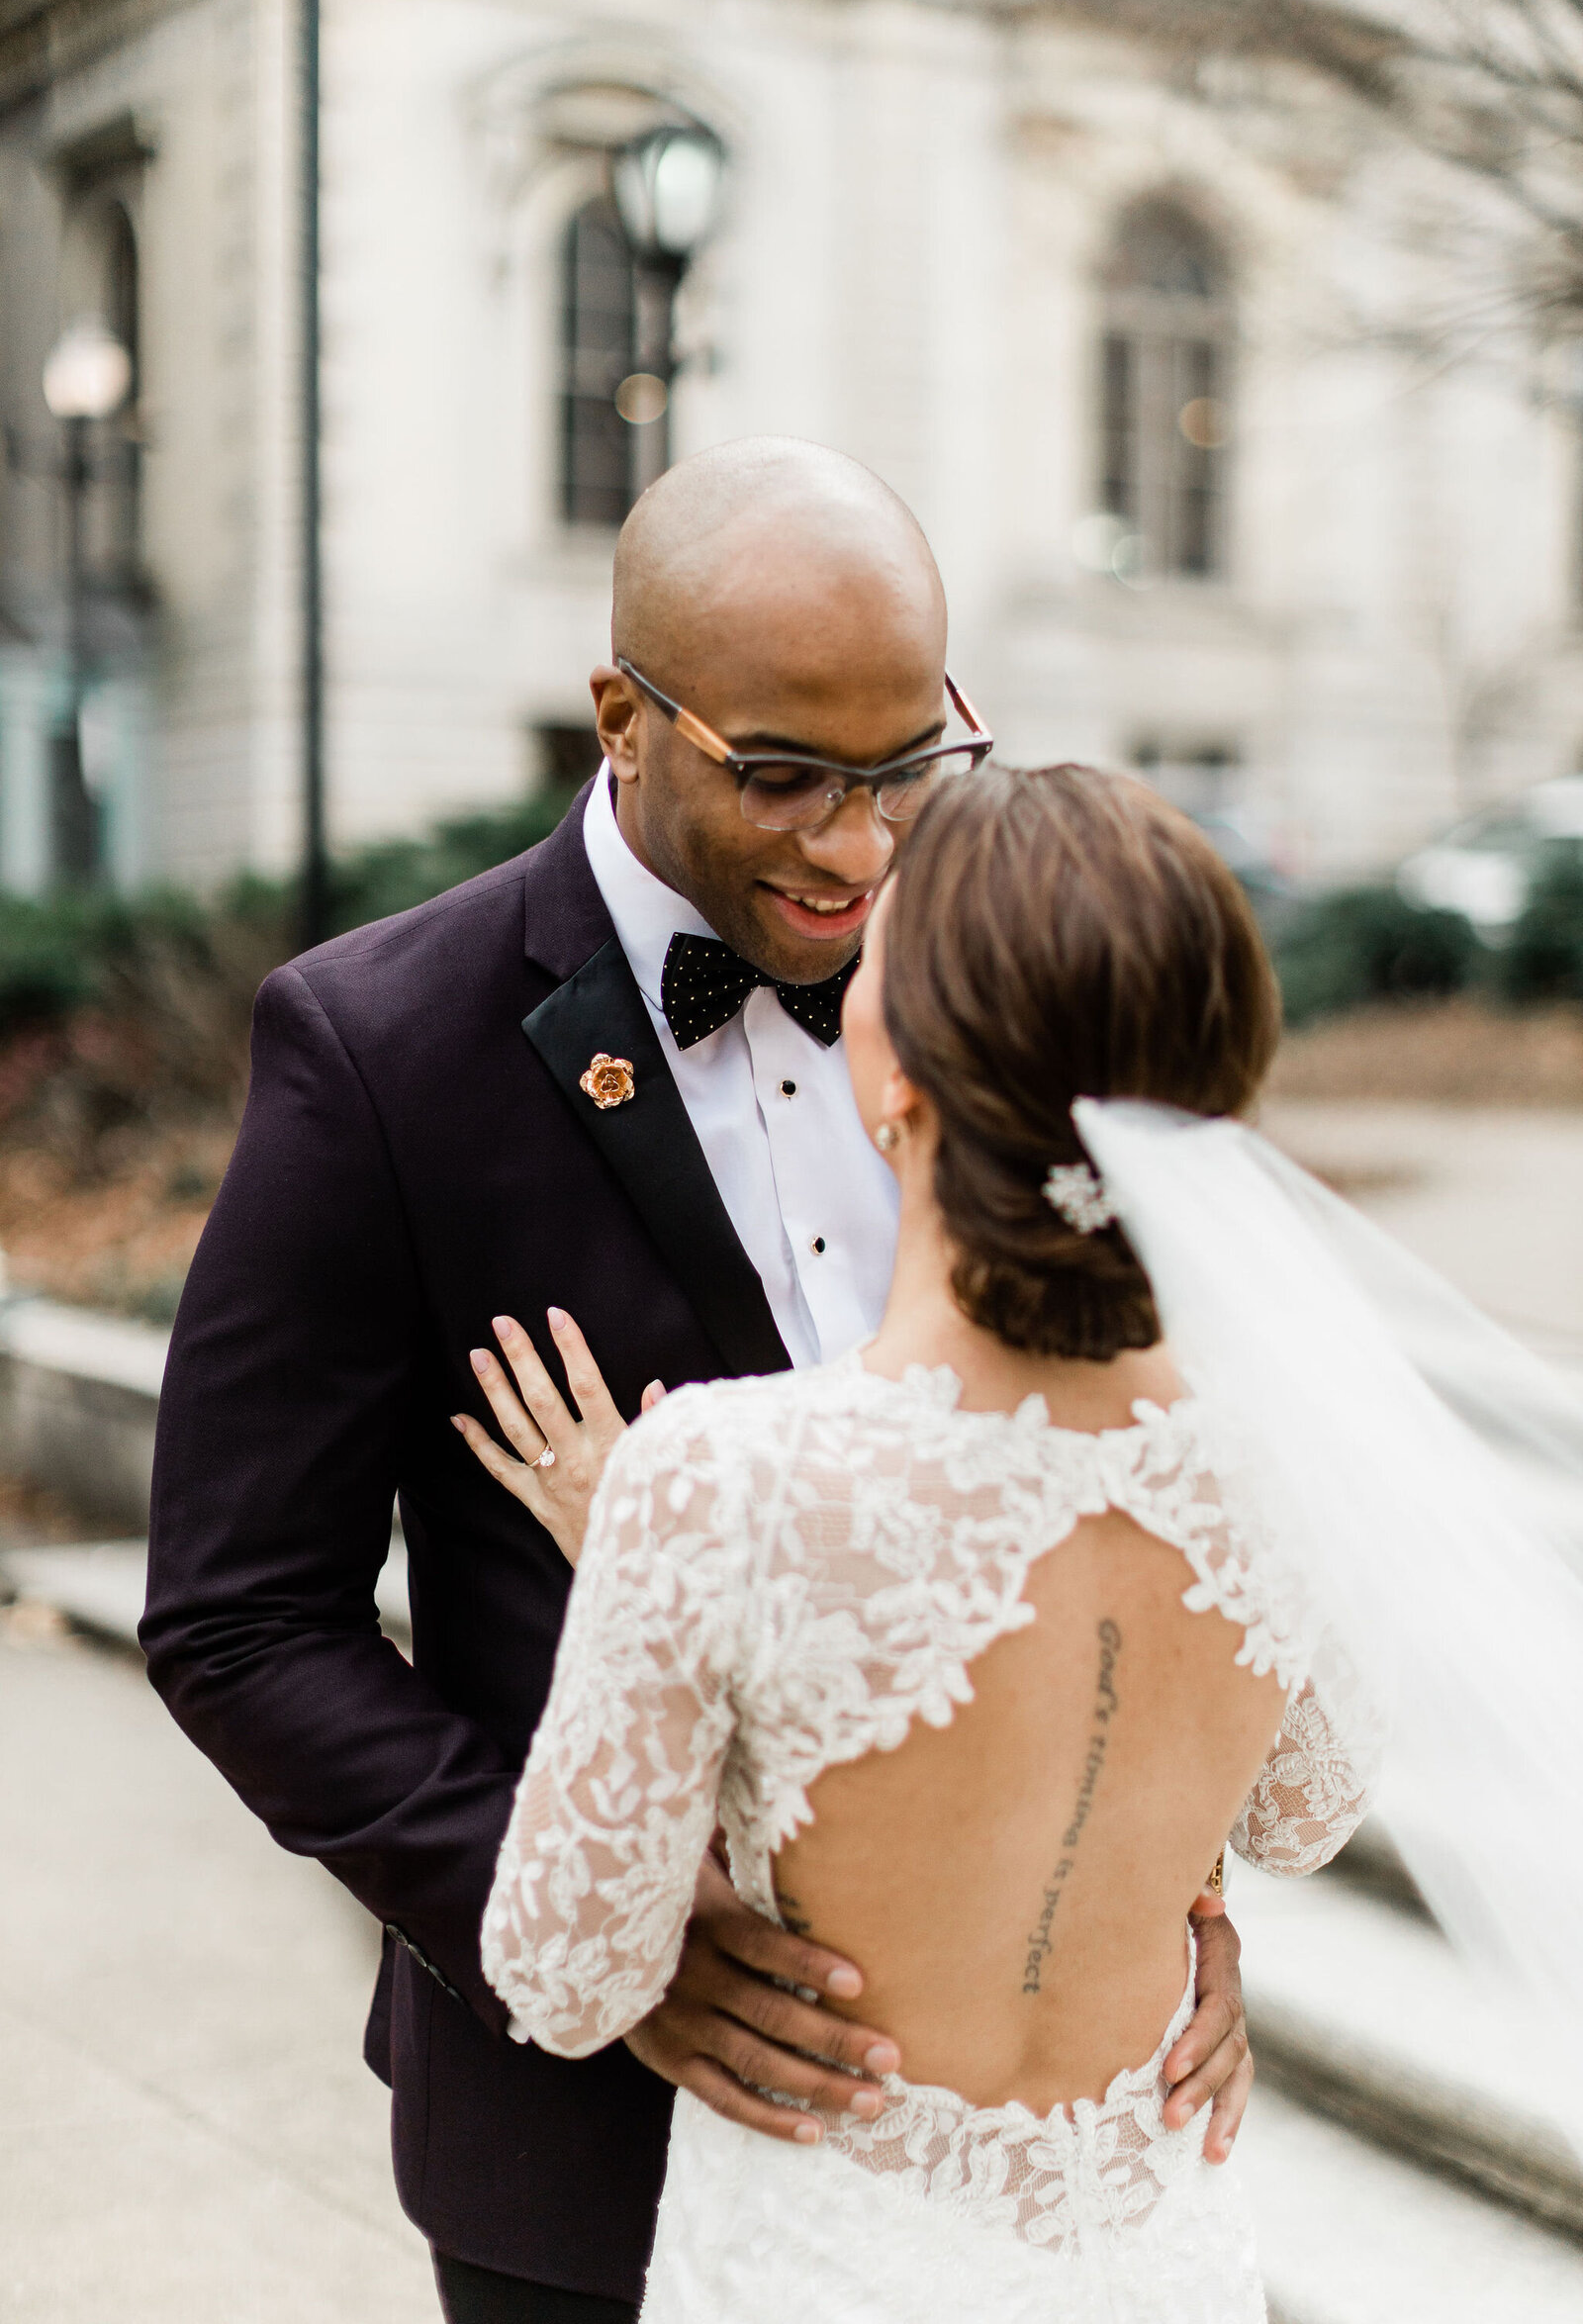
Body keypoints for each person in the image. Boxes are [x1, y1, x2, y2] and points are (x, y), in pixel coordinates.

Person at [140, 440, 1253, 2322]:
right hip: (586, 2163)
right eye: (786, 777)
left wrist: (1157, 1891)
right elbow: (243, 1619)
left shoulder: (995, 995)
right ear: (621, 720)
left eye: (910, 768)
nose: (858, 847)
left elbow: (1117, 1510)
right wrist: (596, 1930)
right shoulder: (377, 1048)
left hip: (1018, 2179)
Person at [470, 766, 1380, 2322]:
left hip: (824, 2274)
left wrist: (647, 1554)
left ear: (897, 1080)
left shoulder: (717, 1484)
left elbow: (564, 1983)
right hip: (1158, 2263)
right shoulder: (1296, 1458)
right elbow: (1299, 1816)